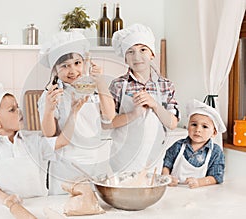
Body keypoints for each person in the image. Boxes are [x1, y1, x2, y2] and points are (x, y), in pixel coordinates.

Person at [0, 82, 86, 217]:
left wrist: (74, 112)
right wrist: (6, 199)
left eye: (18, 107)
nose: (19, 111)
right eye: (12, 110)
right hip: (8, 209)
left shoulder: (33, 141)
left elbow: (62, 141)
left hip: (40, 205)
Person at [38, 31, 115, 194]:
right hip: (65, 170)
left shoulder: (92, 88)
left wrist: (100, 82)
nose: (72, 70)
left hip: (95, 166)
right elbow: (49, 135)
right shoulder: (50, 95)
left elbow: (110, 116)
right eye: (65, 66)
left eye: (77, 63)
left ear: (84, 63)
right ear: (55, 70)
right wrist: (49, 110)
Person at [106, 23, 180, 173]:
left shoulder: (166, 85)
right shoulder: (118, 85)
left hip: (154, 160)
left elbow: (172, 123)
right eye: (130, 52)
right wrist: (134, 114)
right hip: (123, 161)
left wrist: (154, 104)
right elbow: (108, 123)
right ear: (125, 58)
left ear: (152, 54)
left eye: (143, 50)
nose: (137, 56)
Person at [162, 99, 226, 189]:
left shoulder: (216, 152)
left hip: (199, 194)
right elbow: (166, 164)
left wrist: (199, 182)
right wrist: (166, 177)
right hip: (173, 190)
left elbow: (217, 176)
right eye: (194, 124)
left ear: (214, 133)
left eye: (204, 126)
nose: (198, 130)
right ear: (187, 126)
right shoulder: (178, 146)